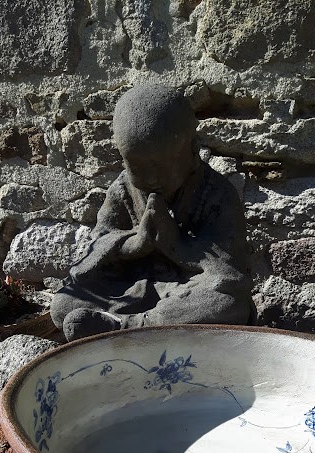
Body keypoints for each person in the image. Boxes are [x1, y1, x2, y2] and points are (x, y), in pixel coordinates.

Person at [50, 84, 253, 341]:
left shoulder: (217, 193)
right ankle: (141, 327)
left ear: (192, 151)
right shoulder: (123, 189)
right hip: (132, 288)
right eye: (137, 168)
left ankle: (127, 327)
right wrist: (132, 245)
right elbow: (98, 243)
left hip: (187, 291)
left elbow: (230, 271)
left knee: (228, 304)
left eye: (161, 169)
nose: (151, 179)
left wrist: (176, 244)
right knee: (63, 304)